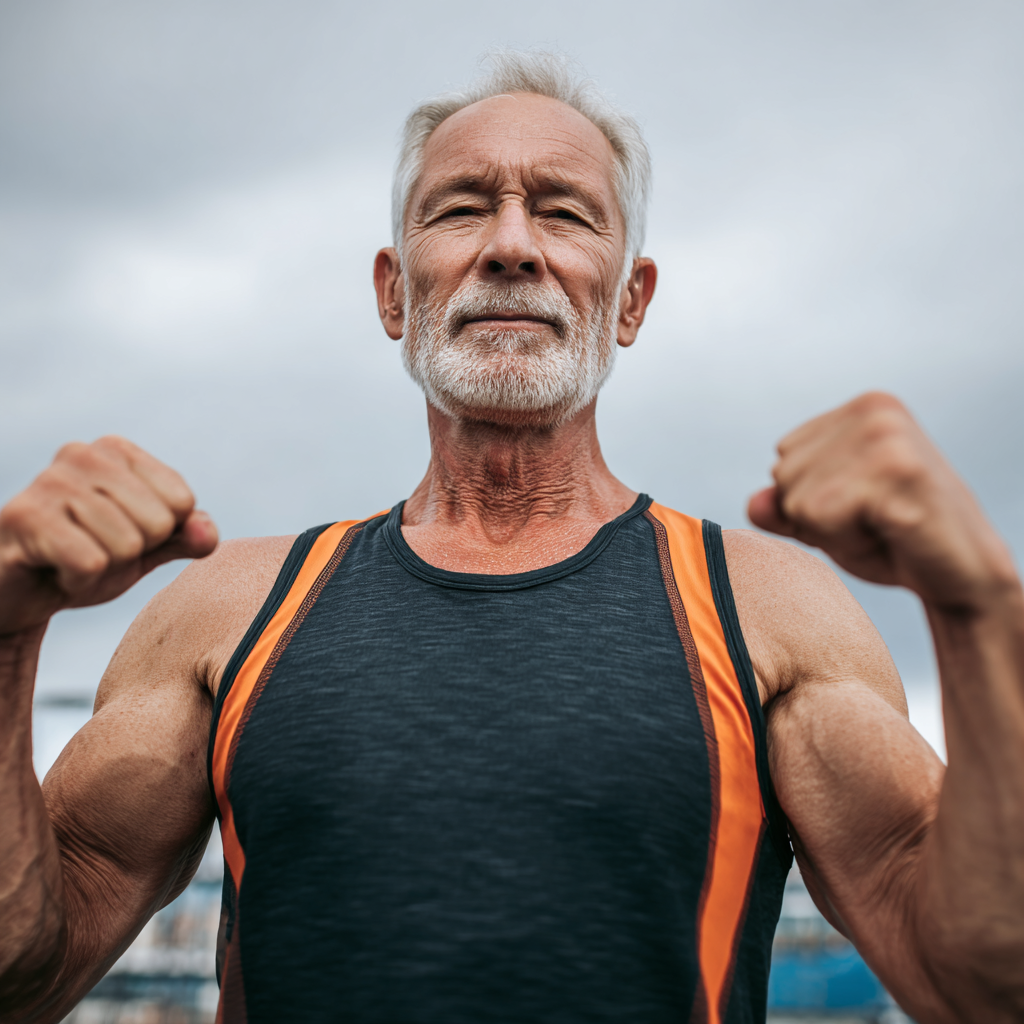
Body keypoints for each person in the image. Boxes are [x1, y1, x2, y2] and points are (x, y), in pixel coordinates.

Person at [0, 51, 1022, 1024]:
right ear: (394, 292)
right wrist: (6, 633)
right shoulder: (228, 612)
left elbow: (985, 986)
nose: (512, 244)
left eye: (564, 211)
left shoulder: (768, 611)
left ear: (629, 301)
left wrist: (978, 610)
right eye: (461, 207)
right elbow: (21, 976)